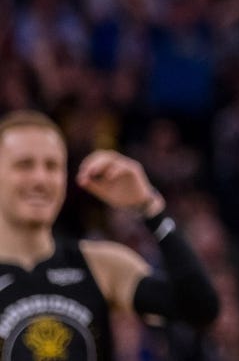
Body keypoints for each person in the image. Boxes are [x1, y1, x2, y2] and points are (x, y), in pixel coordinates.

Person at [0, 109, 220, 358]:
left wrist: (150, 207)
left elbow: (200, 308)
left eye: (52, 166)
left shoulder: (101, 265)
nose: (40, 178)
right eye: (24, 165)